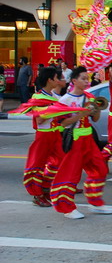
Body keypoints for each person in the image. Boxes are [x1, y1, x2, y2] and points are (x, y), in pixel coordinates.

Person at [50, 66, 112, 219]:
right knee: (71, 175)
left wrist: (96, 109)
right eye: (83, 78)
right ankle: (66, 207)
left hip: (88, 140)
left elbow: (95, 119)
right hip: (75, 141)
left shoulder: (88, 97)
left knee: (100, 169)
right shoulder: (65, 100)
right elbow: (63, 123)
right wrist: (81, 114)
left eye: (87, 78)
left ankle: (95, 202)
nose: (87, 81)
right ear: (74, 81)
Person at [22, 67, 67, 207]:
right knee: (37, 164)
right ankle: (37, 194)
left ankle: (45, 187)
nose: (58, 81)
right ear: (50, 80)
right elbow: (40, 119)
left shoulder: (52, 95)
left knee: (59, 162)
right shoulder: (38, 97)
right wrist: (54, 110)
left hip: (54, 134)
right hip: (44, 135)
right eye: (56, 78)